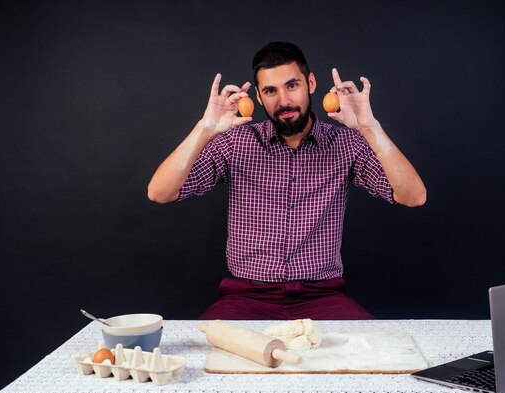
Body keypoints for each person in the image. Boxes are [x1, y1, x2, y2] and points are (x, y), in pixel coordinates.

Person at [147, 41, 426, 320]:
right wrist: (205, 128)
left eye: (292, 85)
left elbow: (413, 196)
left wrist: (370, 128)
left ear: (311, 83)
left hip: (322, 296)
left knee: (374, 357)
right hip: (247, 296)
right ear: (257, 96)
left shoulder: (346, 144)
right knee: (208, 357)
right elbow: (160, 192)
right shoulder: (234, 143)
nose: (283, 101)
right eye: (270, 90)